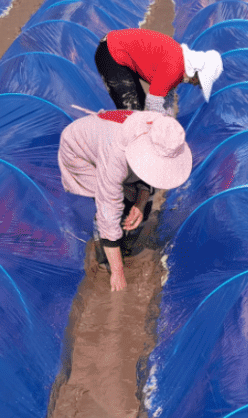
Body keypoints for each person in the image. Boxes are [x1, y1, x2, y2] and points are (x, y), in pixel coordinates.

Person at [58, 109, 192, 291]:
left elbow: (150, 173)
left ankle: (121, 245)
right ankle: (104, 254)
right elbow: (108, 206)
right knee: (104, 205)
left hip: (110, 146)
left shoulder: (161, 131)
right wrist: (118, 272)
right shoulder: (116, 154)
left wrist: (140, 202)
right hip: (79, 151)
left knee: (136, 205)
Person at [95, 28, 223, 114]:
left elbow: (167, 97)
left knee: (138, 103)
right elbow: (154, 101)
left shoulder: (180, 63)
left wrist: (167, 118)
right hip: (111, 52)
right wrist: (160, 127)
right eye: (199, 82)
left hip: (120, 50)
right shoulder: (174, 68)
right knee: (130, 109)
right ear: (194, 74)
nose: (196, 85)